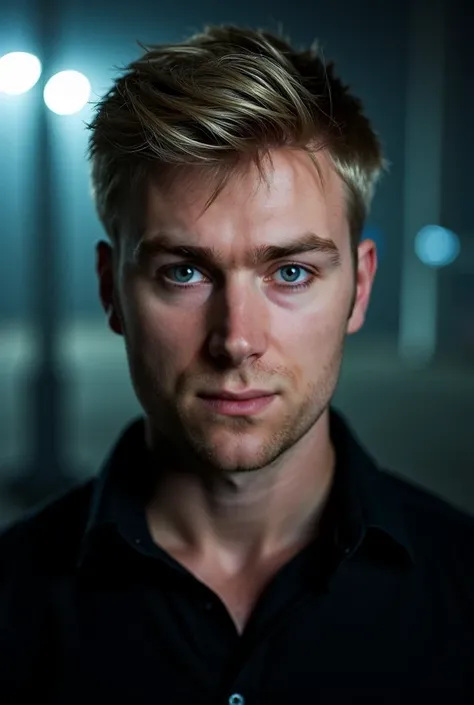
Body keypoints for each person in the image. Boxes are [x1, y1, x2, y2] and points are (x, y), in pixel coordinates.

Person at [1, 25, 473, 704]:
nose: (236, 339)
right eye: (185, 271)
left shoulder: (462, 592)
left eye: (290, 271)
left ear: (360, 288)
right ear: (112, 290)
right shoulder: (14, 605)